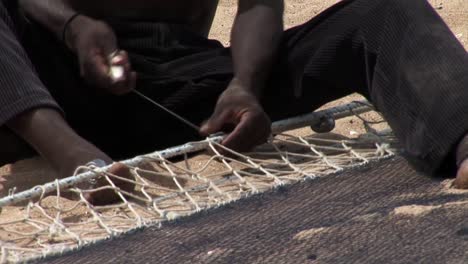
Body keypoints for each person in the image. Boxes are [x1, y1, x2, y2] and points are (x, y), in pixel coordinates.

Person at [0, 0, 467, 202]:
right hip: (45, 92)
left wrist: (244, 85)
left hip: (191, 90)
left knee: (381, 13)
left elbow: (258, 7)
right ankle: (74, 157)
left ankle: (462, 136)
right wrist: (74, 26)